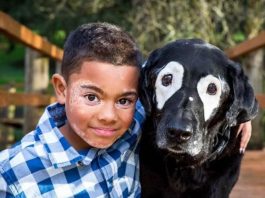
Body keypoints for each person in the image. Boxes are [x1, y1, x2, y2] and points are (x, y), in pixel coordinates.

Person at [0, 22, 252, 197]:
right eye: (91, 96)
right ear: (61, 89)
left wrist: (235, 112)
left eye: (124, 100)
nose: (108, 116)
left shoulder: (132, 123)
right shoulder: (10, 174)